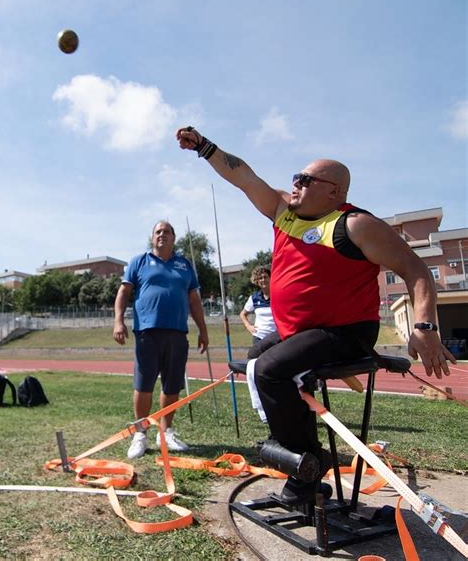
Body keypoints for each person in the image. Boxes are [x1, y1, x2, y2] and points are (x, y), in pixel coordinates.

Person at [176, 126, 456, 504]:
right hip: (301, 330)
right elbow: (243, 176)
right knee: (256, 360)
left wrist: (425, 326)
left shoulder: (355, 224)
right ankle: (299, 449)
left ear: (334, 191)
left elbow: (416, 270)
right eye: (296, 177)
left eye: (305, 179)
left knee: (271, 371)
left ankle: (307, 470)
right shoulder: (284, 212)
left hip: (344, 332)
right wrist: (205, 147)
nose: (295, 184)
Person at [113, 220, 209, 459]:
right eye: (158, 232)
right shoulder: (139, 261)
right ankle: (140, 434)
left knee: (172, 384)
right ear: (152, 237)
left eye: (166, 231)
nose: (162, 235)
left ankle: (166, 432)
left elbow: (195, 301)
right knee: (143, 384)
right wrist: (118, 320)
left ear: (173, 237)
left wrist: (203, 330)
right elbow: (124, 292)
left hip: (177, 332)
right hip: (147, 331)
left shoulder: (184, 265)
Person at [239, 266, 276, 346]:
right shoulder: (254, 298)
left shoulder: (278, 295)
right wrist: (248, 326)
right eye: (260, 278)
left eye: (265, 277)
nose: (263, 280)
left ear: (270, 278)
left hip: (276, 338)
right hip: (259, 338)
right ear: (257, 281)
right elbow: (243, 314)